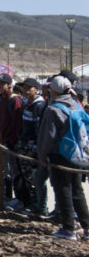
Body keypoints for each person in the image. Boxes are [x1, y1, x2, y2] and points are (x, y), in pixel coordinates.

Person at [37, 75, 89, 241]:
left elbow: (48, 136)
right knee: (77, 190)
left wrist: (42, 156)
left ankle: (68, 228)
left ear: (54, 90)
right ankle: (87, 227)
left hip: (59, 155)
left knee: (62, 190)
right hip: (76, 154)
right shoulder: (76, 105)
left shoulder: (53, 109)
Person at [16, 78, 47, 214]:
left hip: (32, 147)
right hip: (23, 145)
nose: (26, 90)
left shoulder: (39, 106)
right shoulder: (28, 104)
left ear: (36, 89)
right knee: (27, 177)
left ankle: (40, 205)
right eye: (24, 87)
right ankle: (31, 203)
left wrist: (35, 147)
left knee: (34, 178)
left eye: (29, 88)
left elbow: (39, 129)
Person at [0, 73, 23, 204]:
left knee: (14, 170)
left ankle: (18, 198)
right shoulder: (0, 100)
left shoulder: (14, 99)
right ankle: (5, 195)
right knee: (4, 170)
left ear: (9, 84)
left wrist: (12, 139)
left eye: (2, 84)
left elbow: (17, 122)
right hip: (1, 139)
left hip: (11, 141)